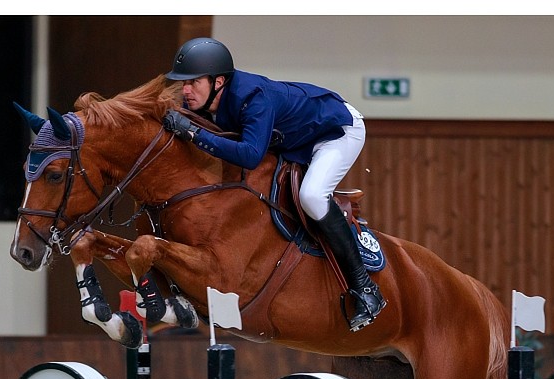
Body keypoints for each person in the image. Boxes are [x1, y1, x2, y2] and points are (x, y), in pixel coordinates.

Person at [162, 37, 386, 332]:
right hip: (296, 138)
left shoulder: (253, 97)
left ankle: (365, 288)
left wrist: (193, 134)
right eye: (183, 83)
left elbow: (250, 156)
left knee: (312, 196)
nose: (186, 90)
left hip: (337, 132)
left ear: (219, 81)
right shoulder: (204, 100)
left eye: (193, 82)